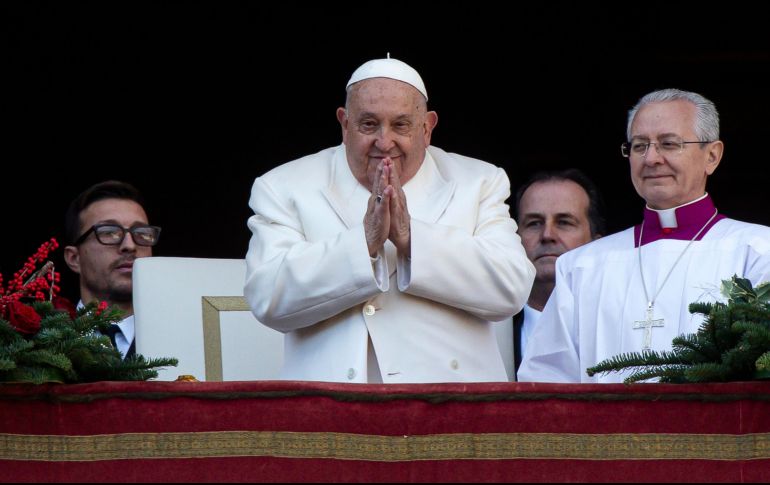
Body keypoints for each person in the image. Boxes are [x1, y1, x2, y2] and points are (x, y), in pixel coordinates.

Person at [244, 56, 535, 383]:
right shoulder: (285, 186)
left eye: (401, 125)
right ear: (344, 123)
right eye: (368, 124)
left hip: (453, 402)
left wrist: (411, 238)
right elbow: (267, 297)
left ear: (427, 128)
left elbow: (511, 288)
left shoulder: (478, 181)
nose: (384, 142)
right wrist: (364, 243)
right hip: (333, 404)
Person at [518, 88, 770, 383]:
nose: (651, 158)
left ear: (712, 156)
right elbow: (547, 380)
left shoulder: (758, 251)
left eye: (669, 144)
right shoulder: (580, 267)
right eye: (639, 146)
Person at [499, 169, 604, 380]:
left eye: (564, 222)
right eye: (534, 223)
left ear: (597, 243)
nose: (547, 235)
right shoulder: (486, 329)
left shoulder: (614, 325)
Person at [63, 180, 161, 360]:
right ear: (74, 258)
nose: (130, 245)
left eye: (142, 233)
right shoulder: (36, 343)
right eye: (109, 232)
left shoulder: (183, 335)